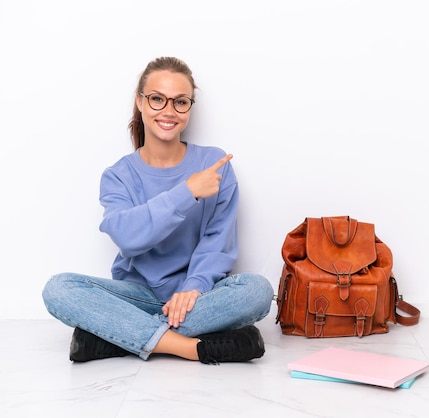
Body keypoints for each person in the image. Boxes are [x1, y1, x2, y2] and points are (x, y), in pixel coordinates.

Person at [42, 56, 274, 364]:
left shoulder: (213, 164)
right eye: (157, 99)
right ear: (140, 101)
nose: (168, 111)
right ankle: (189, 347)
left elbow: (218, 242)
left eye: (180, 102)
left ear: (190, 107)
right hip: (137, 298)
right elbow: (128, 237)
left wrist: (193, 288)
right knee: (58, 289)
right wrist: (186, 192)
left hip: (197, 298)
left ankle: (115, 339)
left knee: (257, 290)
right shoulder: (118, 176)